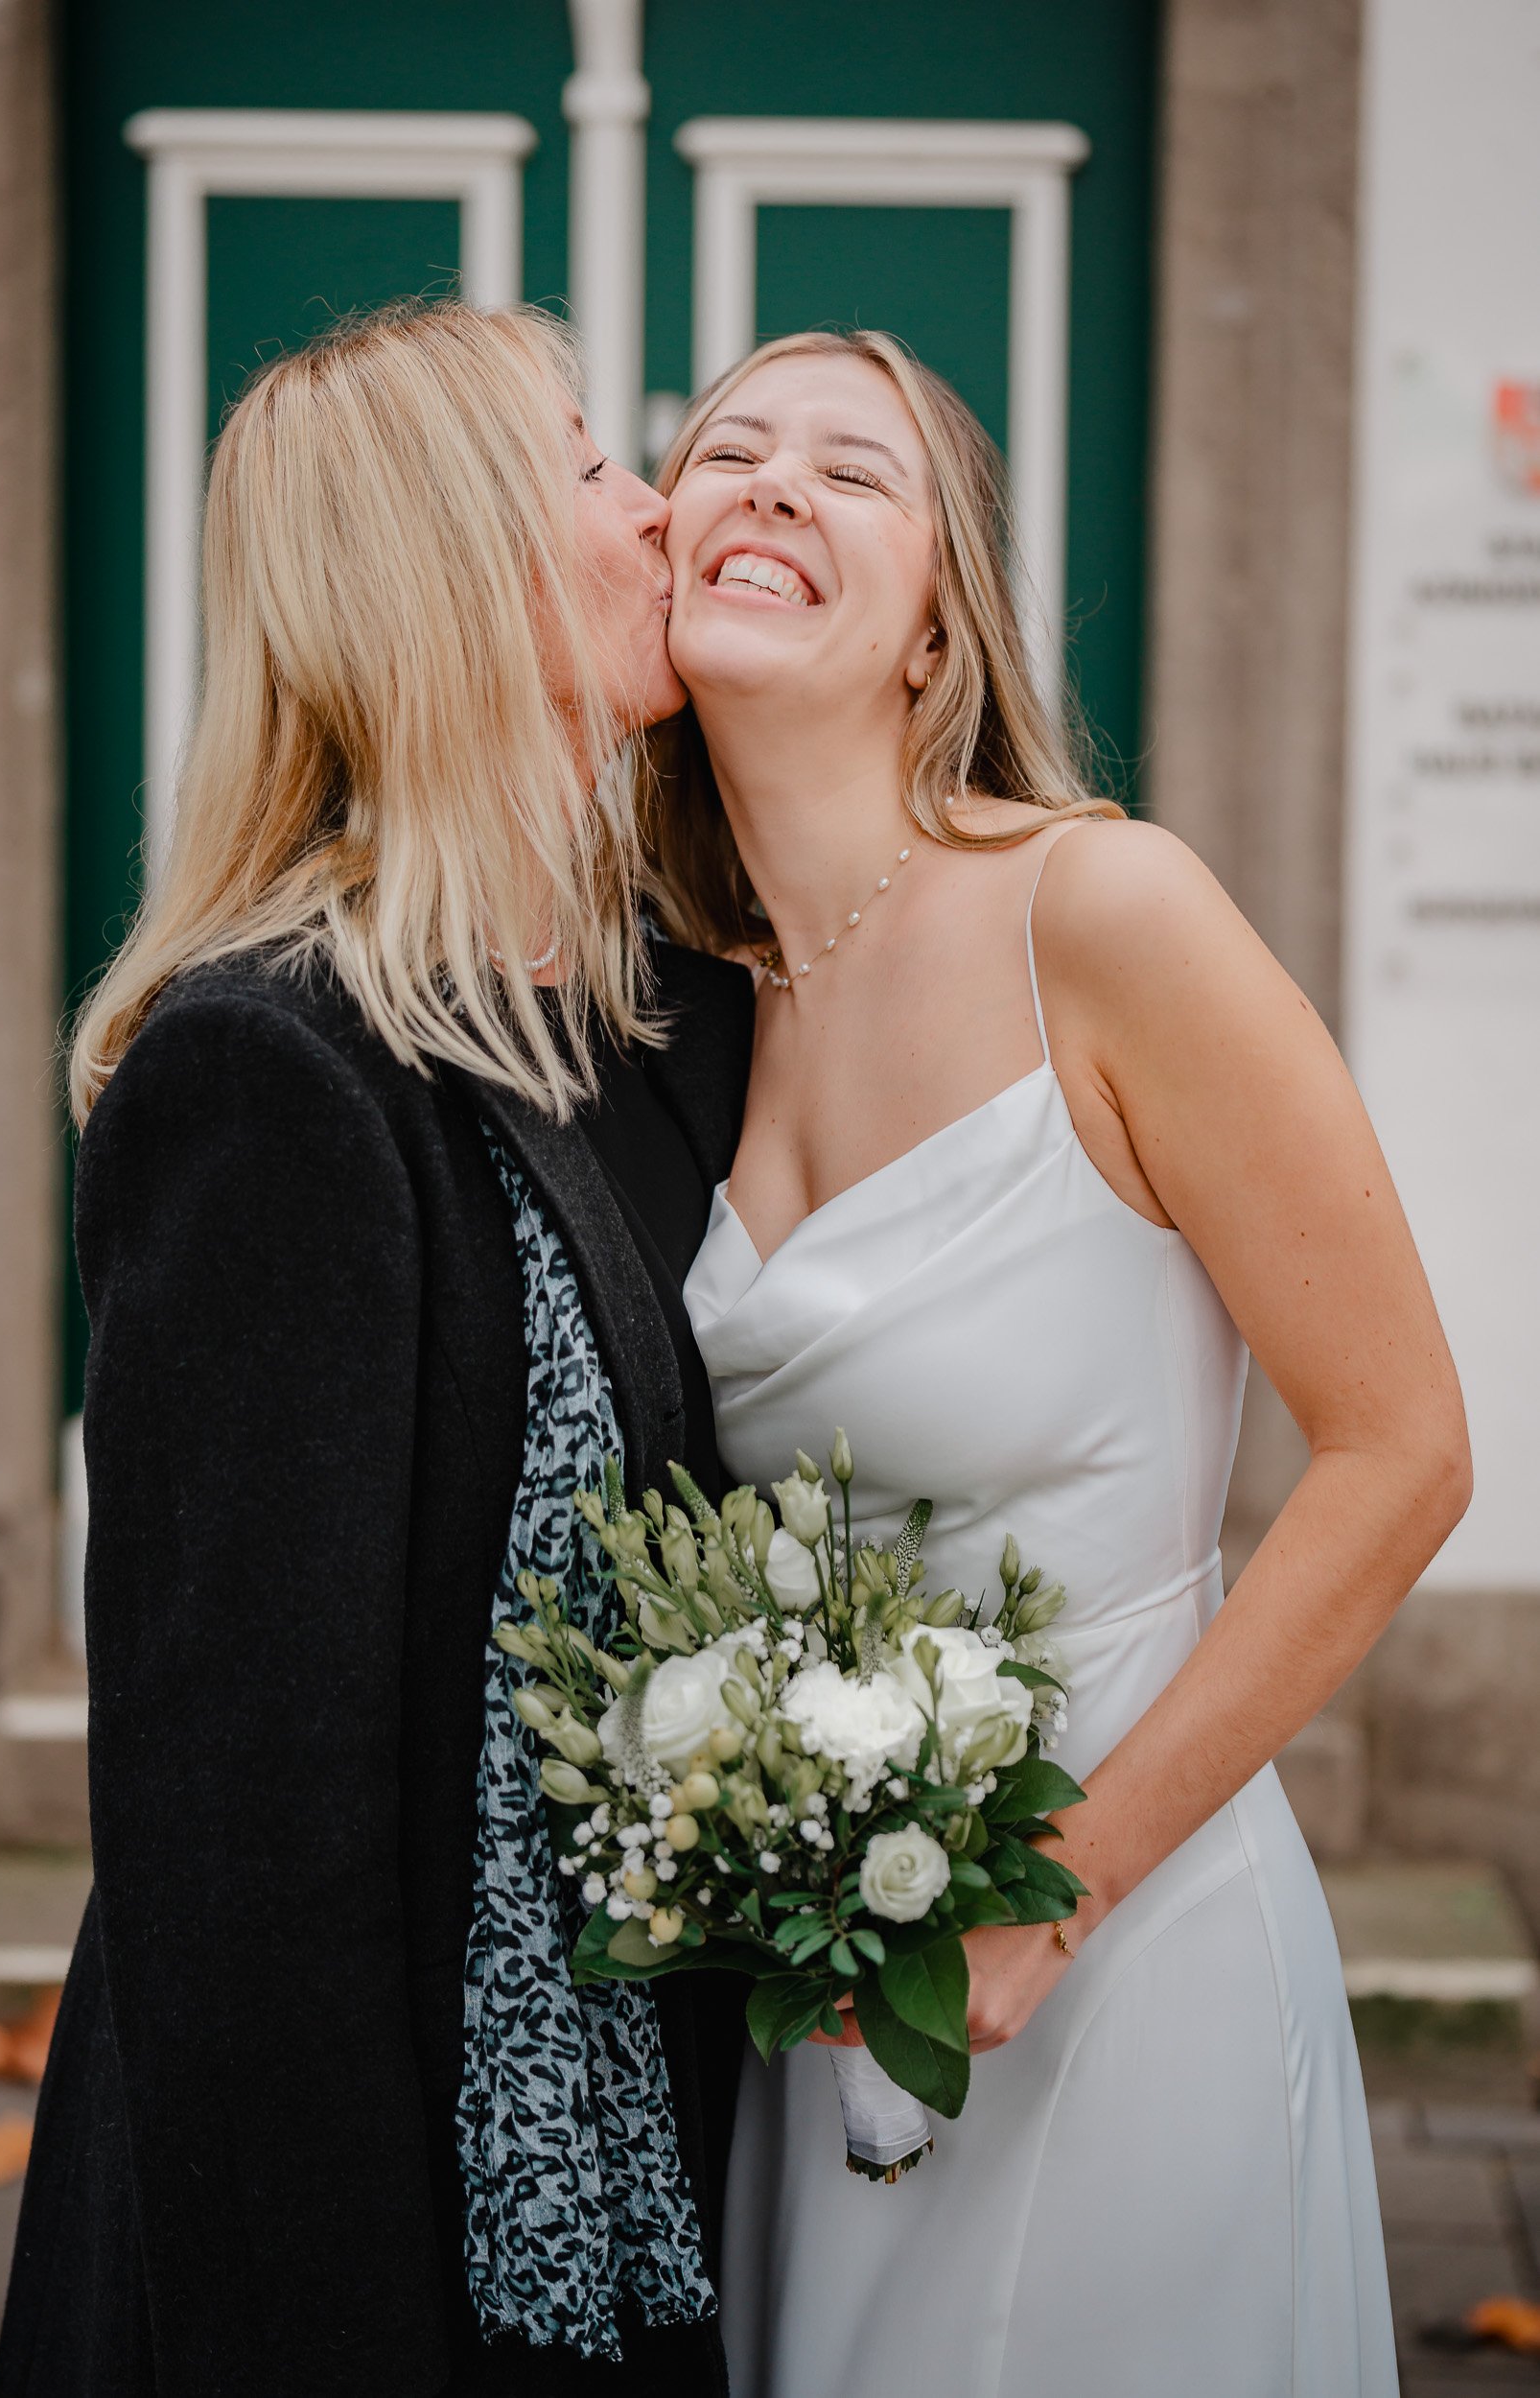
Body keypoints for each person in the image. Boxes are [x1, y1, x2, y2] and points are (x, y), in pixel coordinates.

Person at [652, 329, 1470, 2398]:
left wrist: (1050, 1897)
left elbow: (1403, 1450)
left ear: (942, 626)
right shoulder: (685, 996)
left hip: (1115, 1945)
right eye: (723, 448)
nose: (765, 483)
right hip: (826, 1988)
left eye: (852, 470)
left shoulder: (1105, 911)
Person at [0, 302, 751, 2398]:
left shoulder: (614, 1036)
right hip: (341, 2242)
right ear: (459, 571)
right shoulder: (267, 1073)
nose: (660, 508)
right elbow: (237, 1860)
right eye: (599, 464)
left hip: (596, 2178)